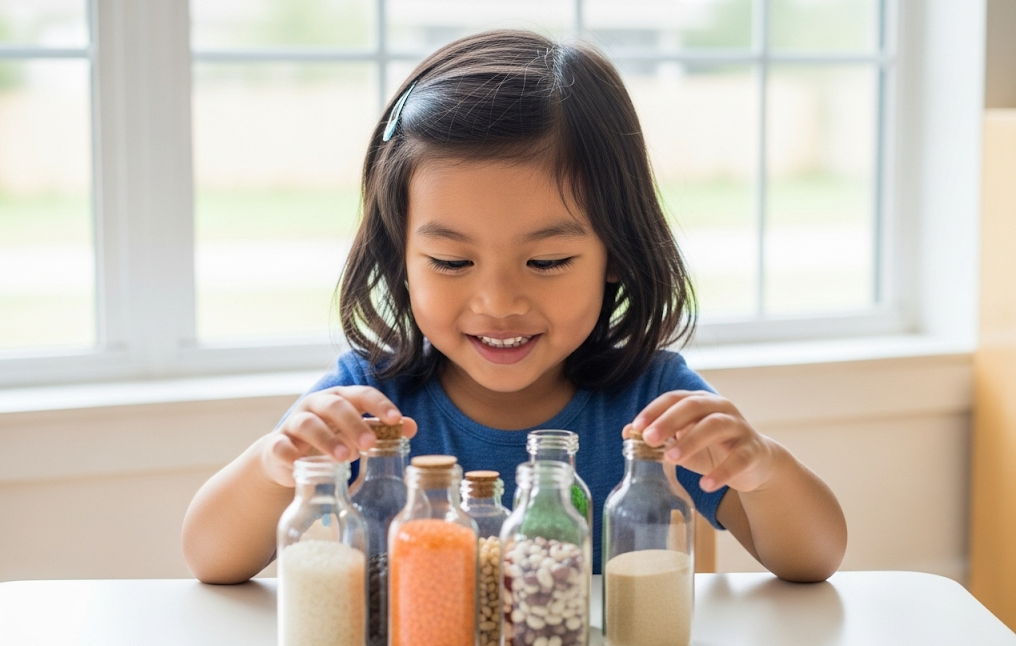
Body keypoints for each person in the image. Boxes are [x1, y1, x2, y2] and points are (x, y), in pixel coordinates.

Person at [182, 29, 847, 585]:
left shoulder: (651, 403)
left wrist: (763, 469)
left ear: (615, 250)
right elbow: (211, 558)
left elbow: (813, 559)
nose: (498, 302)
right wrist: (277, 464)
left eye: (547, 262)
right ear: (400, 261)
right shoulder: (368, 403)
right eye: (450, 262)